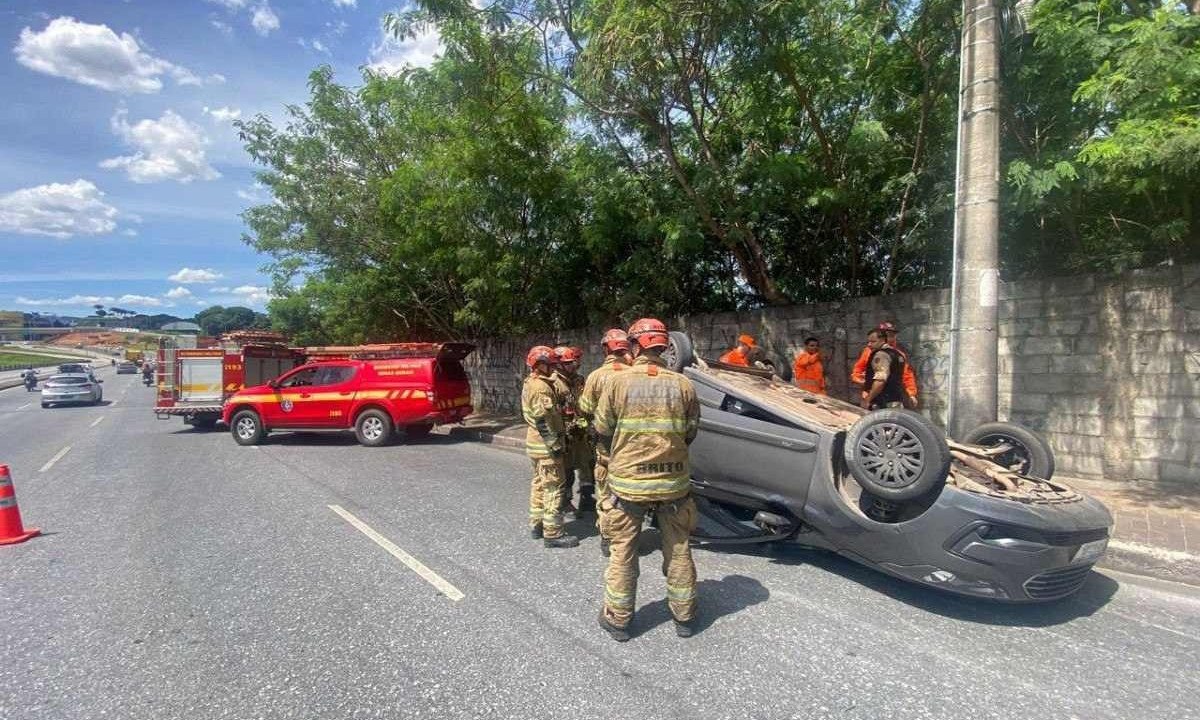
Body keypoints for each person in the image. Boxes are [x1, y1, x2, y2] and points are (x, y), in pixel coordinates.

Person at [593, 318, 701, 642]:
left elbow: (602, 428)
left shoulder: (617, 382)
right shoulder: (684, 385)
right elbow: (690, 431)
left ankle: (619, 620)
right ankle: (685, 617)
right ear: (663, 347)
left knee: (623, 551)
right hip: (673, 484)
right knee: (679, 548)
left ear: (636, 346)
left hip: (627, 484)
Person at [577, 328, 632, 558]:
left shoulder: (596, 376)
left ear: (606, 349)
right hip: (632, 446)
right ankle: (630, 535)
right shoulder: (633, 373)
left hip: (606, 444)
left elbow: (586, 408)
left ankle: (608, 537)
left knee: (606, 490)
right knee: (629, 492)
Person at [521, 345, 580, 549]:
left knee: (539, 484)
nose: (554, 368)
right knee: (554, 487)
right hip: (545, 446)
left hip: (535, 445)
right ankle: (553, 533)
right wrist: (554, 444)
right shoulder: (541, 387)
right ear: (540, 364)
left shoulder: (533, 382)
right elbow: (543, 420)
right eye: (550, 364)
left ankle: (537, 525)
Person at [553, 345, 593, 519]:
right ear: (559, 364)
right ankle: (565, 502)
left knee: (587, 465)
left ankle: (586, 498)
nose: (573, 365)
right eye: (568, 363)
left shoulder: (578, 380)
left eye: (573, 362)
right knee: (567, 469)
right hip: (565, 433)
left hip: (581, 432)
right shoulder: (554, 382)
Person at [851, 321, 918, 407]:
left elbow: (906, 375)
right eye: (888, 335)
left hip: (887, 398)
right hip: (874, 397)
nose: (891, 338)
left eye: (892, 335)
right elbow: (857, 372)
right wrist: (864, 382)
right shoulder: (869, 352)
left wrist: (911, 394)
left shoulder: (898, 354)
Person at [860, 329, 912, 410]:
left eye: (873, 341)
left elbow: (880, 380)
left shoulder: (881, 355)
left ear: (882, 340)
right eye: (869, 342)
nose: (869, 345)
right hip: (895, 400)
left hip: (883, 403)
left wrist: (868, 399)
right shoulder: (897, 354)